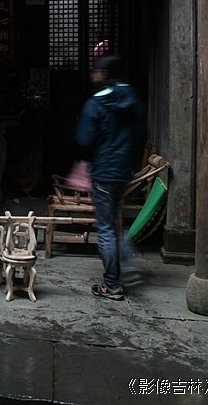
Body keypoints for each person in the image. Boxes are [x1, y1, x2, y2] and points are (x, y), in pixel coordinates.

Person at [74, 54, 146, 301]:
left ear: (104, 74)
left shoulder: (95, 104)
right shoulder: (133, 99)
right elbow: (140, 135)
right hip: (124, 171)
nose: (92, 74)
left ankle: (112, 284)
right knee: (114, 223)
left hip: (104, 171)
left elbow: (84, 139)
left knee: (105, 228)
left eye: (95, 70)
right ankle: (129, 264)